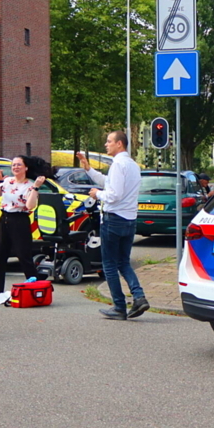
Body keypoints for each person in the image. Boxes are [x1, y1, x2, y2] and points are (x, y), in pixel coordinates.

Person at [77, 131, 149, 320]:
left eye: (109, 141)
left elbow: (113, 194)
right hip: (129, 219)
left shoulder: (117, 164)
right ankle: (139, 296)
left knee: (109, 264)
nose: (106, 144)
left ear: (119, 144)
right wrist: (88, 169)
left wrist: (97, 194)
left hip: (114, 219)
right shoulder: (132, 165)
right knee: (123, 262)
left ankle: (119, 306)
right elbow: (109, 183)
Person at [0, 155, 47, 301]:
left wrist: (36, 187)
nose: (15, 167)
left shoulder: (29, 185)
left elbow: (30, 206)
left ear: (26, 168)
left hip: (19, 220)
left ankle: (36, 290)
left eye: (19, 165)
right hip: (4, 218)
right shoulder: (7, 181)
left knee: (24, 256)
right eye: (13, 165)